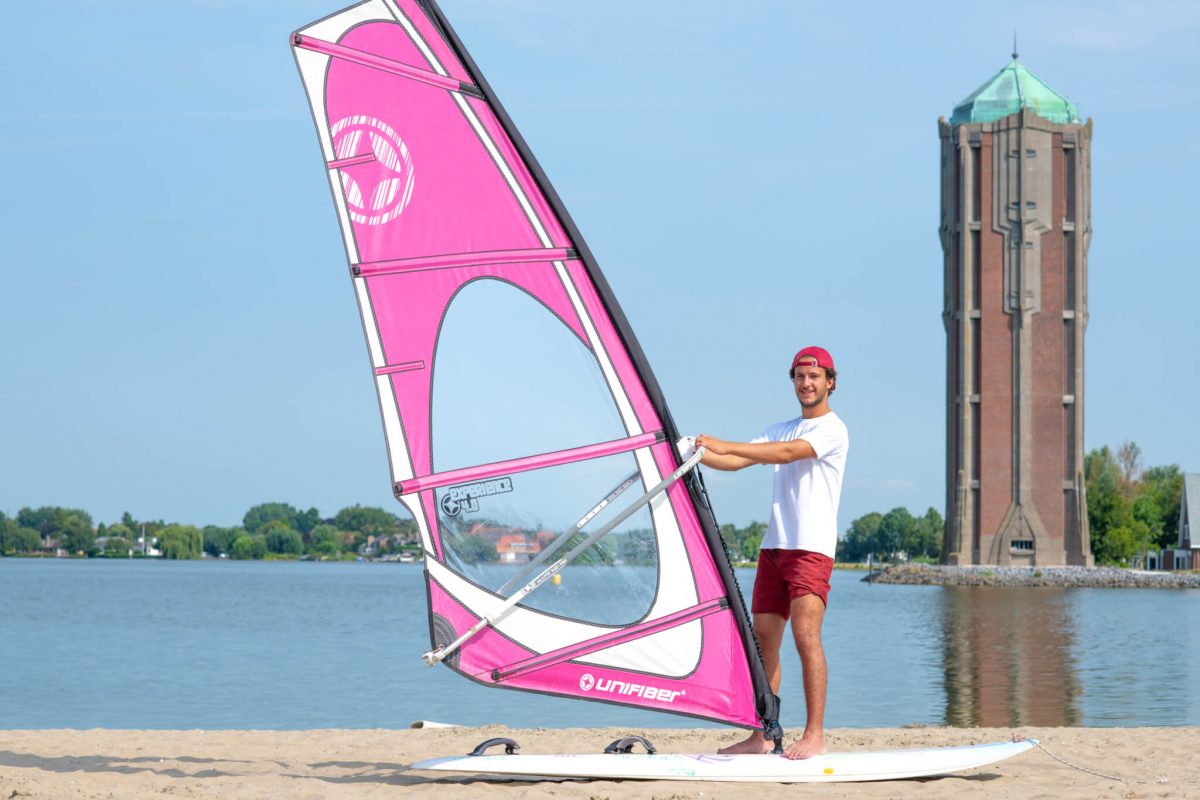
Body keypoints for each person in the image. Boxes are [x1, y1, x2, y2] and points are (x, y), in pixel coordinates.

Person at [696, 345, 848, 760]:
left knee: (806, 637)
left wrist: (725, 443)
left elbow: (782, 454)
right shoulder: (779, 427)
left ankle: (814, 734)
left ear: (830, 383)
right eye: (799, 376)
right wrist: (693, 452)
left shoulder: (832, 430)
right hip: (774, 549)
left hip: (811, 550)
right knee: (764, 643)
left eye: (814, 377)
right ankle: (761, 734)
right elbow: (736, 460)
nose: (806, 383)